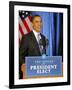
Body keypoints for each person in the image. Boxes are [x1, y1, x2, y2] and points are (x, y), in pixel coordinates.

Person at [19, 15, 48, 79]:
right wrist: (25, 66)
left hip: (42, 72)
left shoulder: (43, 38)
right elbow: (20, 55)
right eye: (36, 22)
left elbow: (43, 54)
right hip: (29, 73)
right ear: (32, 24)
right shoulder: (26, 38)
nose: (39, 24)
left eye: (40, 22)